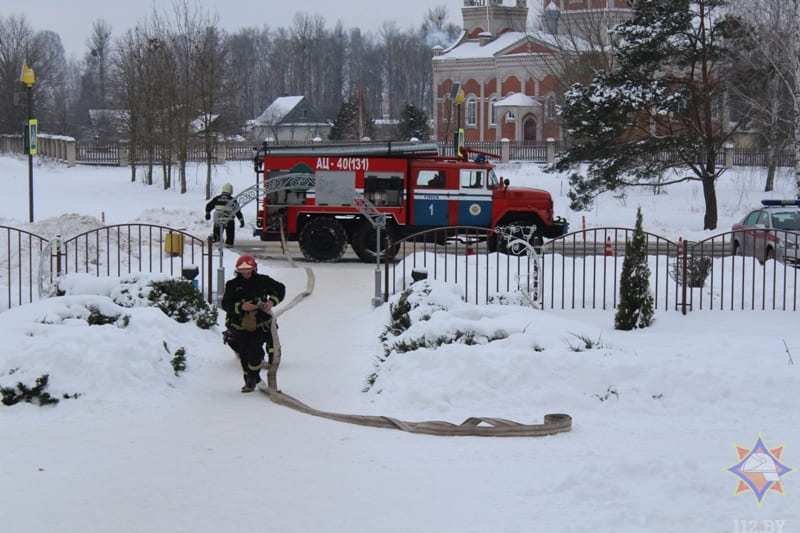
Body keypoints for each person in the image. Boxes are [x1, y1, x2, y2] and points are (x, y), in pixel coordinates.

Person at [221, 254, 286, 392]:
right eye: (242, 272)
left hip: (260, 325)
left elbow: (280, 289)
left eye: (248, 271)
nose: (246, 275)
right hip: (240, 326)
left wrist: (271, 301)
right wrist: (241, 307)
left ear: (254, 269)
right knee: (245, 354)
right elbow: (226, 304)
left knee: (255, 352)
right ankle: (250, 381)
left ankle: (252, 376)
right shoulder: (232, 285)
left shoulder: (262, 281)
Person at [205, 183, 245, 247]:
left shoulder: (217, 198)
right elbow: (238, 211)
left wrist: (207, 214)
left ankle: (215, 241)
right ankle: (229, 247)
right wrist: (241, 221)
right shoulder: (233, 200)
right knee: (230, 235)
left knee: (217, 234)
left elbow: (208, 206)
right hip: (229, 221)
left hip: (218, 220)